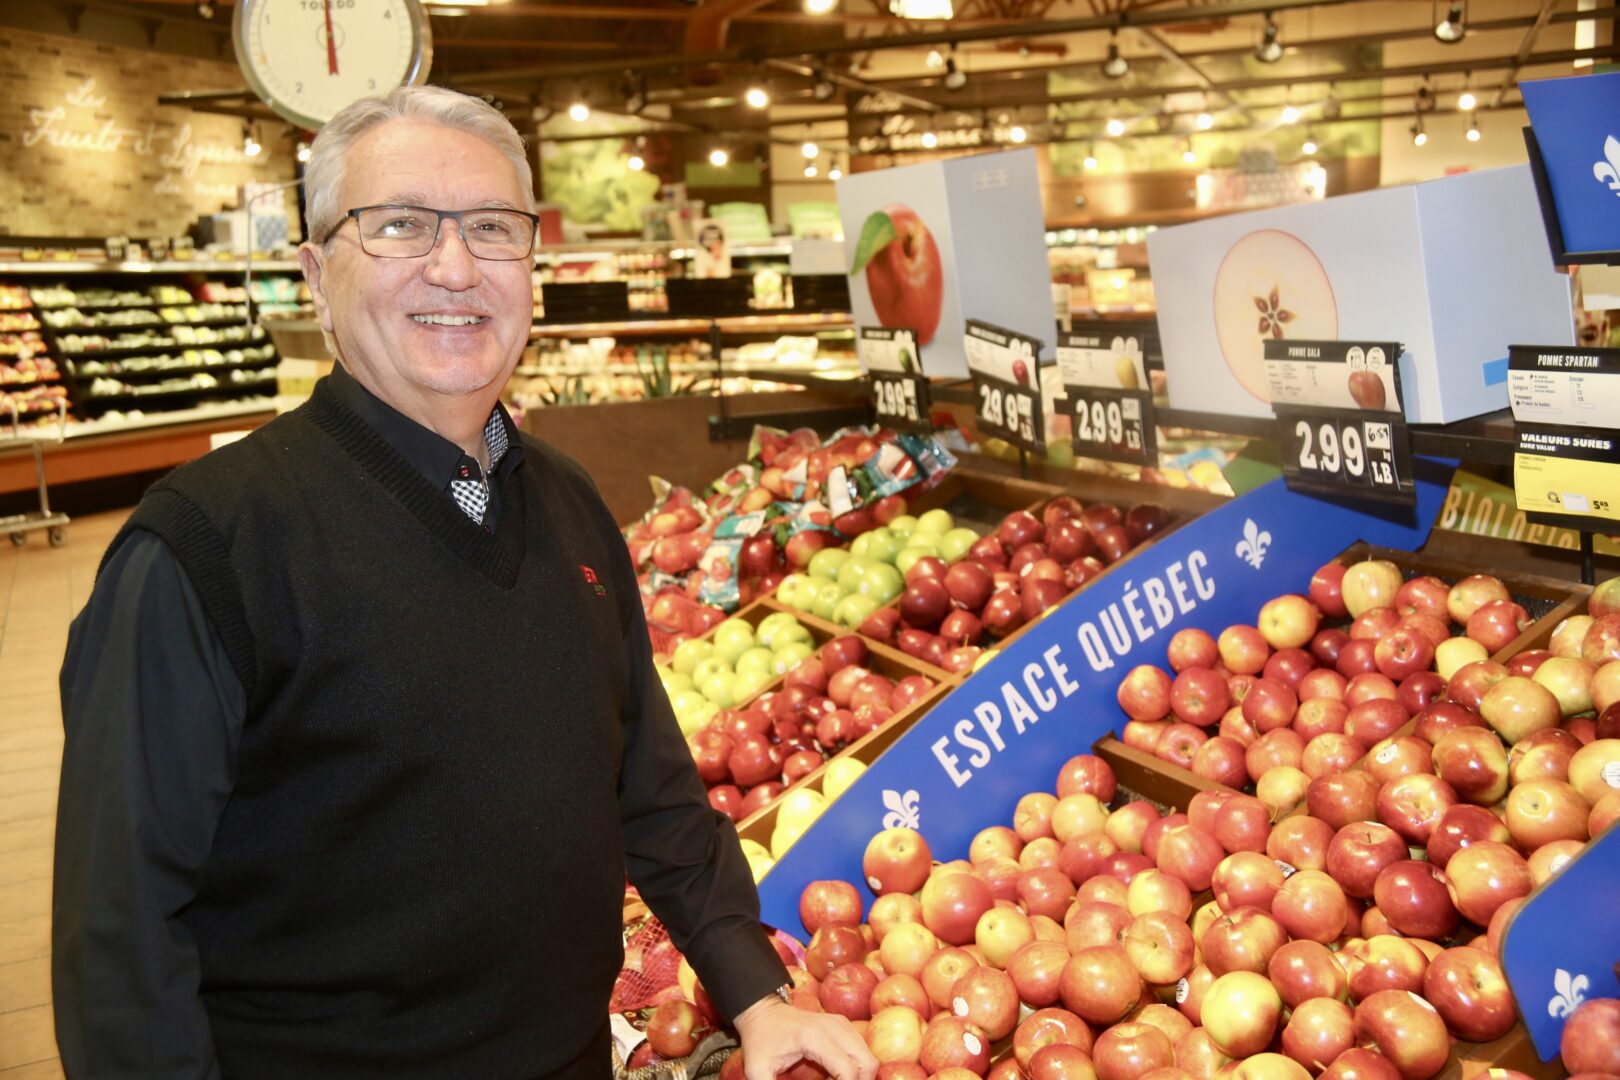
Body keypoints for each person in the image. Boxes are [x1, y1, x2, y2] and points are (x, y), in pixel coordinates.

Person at [53, 85, 878, 1080]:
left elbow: (649, 786)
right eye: (399, 225)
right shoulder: (205, 547)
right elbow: (122, 938)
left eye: (492, 228)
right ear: (318, 273)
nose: (455, 266)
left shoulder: (570, 504)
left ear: (532, 267)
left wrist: (751, 989)